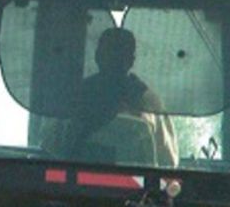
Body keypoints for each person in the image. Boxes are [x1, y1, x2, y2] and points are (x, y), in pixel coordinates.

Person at [65, 27, 178, 167]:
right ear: (131, 60)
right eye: (111, 53)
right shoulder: (150, 102)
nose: (113, 58)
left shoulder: (76, 96)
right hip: (138, 180)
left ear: (97, 56)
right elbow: (168, 162)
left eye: (117, 54)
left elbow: (52, 149)